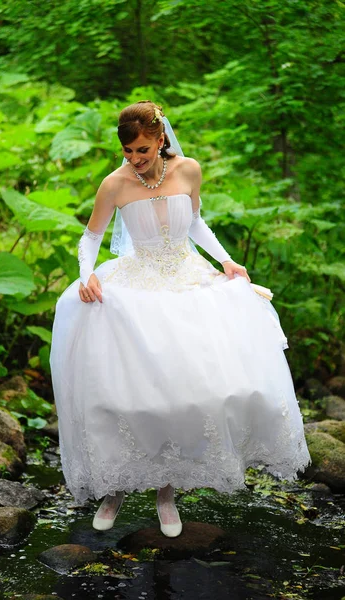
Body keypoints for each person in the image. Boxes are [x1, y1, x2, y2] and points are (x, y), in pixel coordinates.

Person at [49, 100, 311, 538]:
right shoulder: (114, 183)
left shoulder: (188, 170)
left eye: (143, 151)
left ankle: (165, 492)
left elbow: (196, 224)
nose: (135, 160)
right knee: (126, 395)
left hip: (186, 280)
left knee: (184, 393)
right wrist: (85, 274)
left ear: (160, 140)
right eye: (129, 151)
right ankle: (115, 488)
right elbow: (91, 236)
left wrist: (226, 261)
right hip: (137, 283)